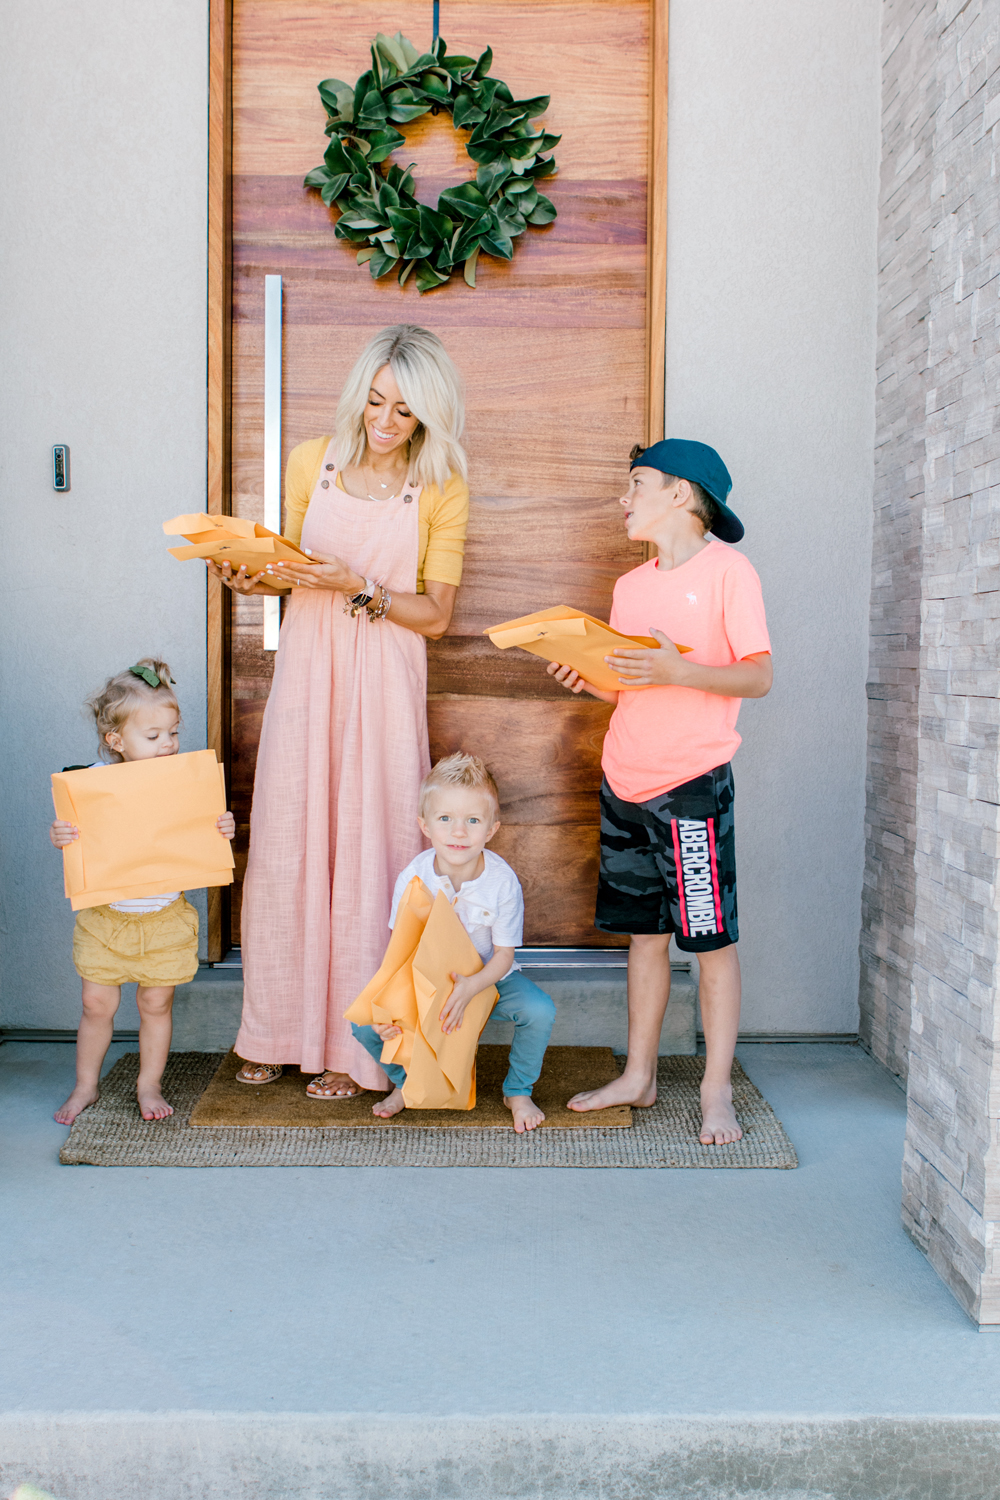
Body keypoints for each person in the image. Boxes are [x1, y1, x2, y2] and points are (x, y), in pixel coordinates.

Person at [213, 325, 470, 1099]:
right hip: (309, 672)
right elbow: (293, 568)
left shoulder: (442, 486)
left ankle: (357, 1050)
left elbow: (437, 616)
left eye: (404, 410)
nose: (385, 421)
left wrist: (358, 584)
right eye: (376, 401)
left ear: (428, 416)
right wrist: (255, 578)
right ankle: (275, 1030)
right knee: (291, 841)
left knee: (373, 847)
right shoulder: (310, 462)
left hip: (386, 678)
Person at [546, 440, 772, 1145]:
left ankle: (715, 1091)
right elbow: (629, 686)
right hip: (624, 782)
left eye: (637, 483)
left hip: (691, 789)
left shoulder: (730, 572)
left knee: (710, 942)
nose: (625, 498)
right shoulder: (630, 586)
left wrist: (680, 671)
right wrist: (588, 678)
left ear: (680, 493)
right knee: (643, 938)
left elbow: (759, 675)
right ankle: (638, 1076)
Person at [49, 659, 236, 1125]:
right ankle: (86, 1085)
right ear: (116, 741)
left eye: (173, 733)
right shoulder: (91, 783)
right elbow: (76, 836)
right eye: (153, 736)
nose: (167, 744)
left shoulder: (184, 782)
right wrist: (61, 835)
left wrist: (221, 828)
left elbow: (201, 832)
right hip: (105, 920)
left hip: (165, 918)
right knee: (96, 1005)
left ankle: (148, 1083)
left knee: (156, 1004)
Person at [351, 753, 556, 1132]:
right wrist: (389, 1009)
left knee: (539, 1010)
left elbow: (503, 955)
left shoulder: (502, 881)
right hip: (427, 984)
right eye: (445, 819)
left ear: (491, 829)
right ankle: (407, 1083)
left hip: (488, 978)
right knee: (365, 1025)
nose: (458, 832)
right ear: (425, 826)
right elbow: (401, 954)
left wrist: (472, 986)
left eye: (472, 821)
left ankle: (518, 1091)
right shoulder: (413, 878)